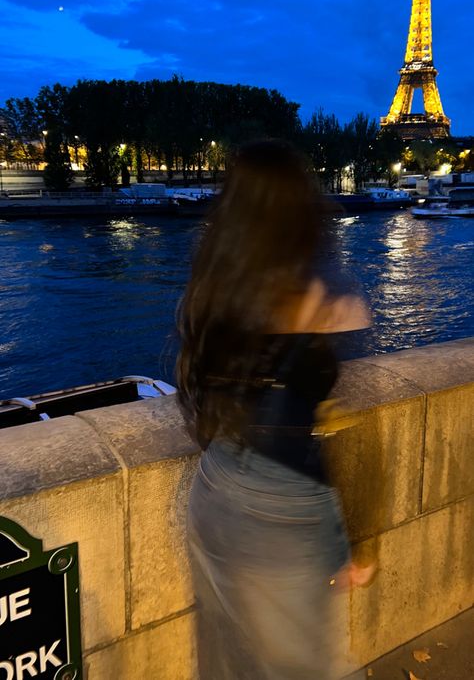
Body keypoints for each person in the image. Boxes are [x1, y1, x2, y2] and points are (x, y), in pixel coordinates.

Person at [176, 139, 373, 680]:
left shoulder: (215, 286)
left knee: (226, 664)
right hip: (281, 508)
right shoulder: (312, 291)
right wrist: (339, 544)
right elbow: (297, 440)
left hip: (213, 490)